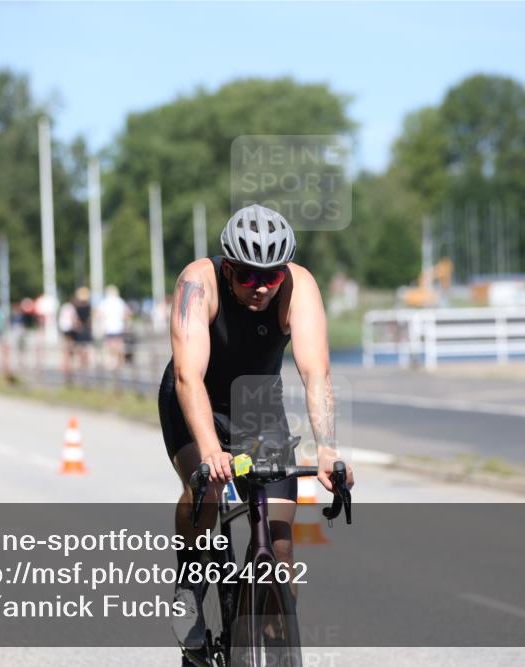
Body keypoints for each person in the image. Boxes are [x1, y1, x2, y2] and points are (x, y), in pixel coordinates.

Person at [157, 204, 355, 652]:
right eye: (248, 275)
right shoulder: (197, 282)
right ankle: (191, 583)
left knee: (280, 546)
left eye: (272, 275)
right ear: (228, 269)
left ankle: (269, 636)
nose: (262, 287)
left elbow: (316, 373)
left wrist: (327, 449)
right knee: (205, 489)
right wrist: (210, 450)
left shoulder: (298, 285)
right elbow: (189, 377)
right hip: (195, 400)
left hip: (257, 407)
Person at [96, 285, 131, 370]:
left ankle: (110, 364)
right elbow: (127, 313)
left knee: (109, 347)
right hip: (119, 327)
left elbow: (98, 314)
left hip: (108, 328)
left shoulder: (104, 302)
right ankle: (120, 362)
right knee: (119, 346)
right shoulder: (120, 301)